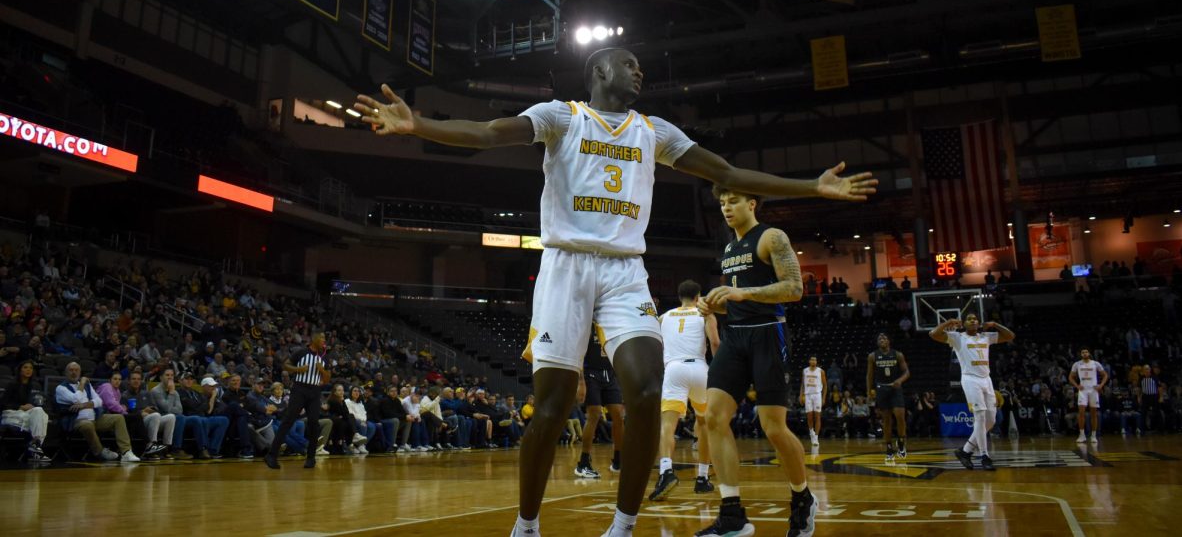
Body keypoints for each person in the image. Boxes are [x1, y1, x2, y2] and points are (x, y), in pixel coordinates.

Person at [357, 50, 875, 537]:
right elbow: (491, 133)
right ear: (600, 72)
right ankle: (527, 524)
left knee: (648, 390)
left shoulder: (655, 131)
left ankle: (624, 526)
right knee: (554, 405)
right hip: (565, 267)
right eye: (628, 64)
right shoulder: (562, 117)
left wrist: (812, 187)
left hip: (626, 270)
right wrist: (418, 124)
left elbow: (727, 172)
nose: (639, 73)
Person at [697, 187, 818, 537]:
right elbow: (734, 300)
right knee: (713, 416)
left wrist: (743, 293)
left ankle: (802, 498)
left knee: (774, 427)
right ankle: (733, 514)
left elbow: (794, 289)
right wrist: (713, 303)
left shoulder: (771, 237)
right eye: (721, 202)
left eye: (732, 201)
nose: (726, 208)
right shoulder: (729, 248)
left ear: (751, 203)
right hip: (735, 336)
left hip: (768, 334)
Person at [648, 279, 720, 500]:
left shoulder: (664, 317)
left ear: (680, 297)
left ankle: (666, 472)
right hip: (699, 368)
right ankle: (702, 478)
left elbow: (653, 343)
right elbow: (716, 343)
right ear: (698, 297)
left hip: (673, 369)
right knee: (703, 423)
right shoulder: (705, 314)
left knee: (668, 425)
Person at [929, 314, 1014, 471]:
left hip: (986, 379)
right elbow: (933, 334)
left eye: (975, 318)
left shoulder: (985, 337)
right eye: (969, 319)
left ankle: (965, 451)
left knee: (991, 421)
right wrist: (948, 322)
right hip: (970, 379)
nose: (973, 320)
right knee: (980, 416)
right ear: (964, 324)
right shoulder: (958, 337)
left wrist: (995, 323)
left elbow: (1010, 336)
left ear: (979, 323)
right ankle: (984, 456)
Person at [264, 330, 331, 469]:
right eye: (322, 337)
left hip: (314, 391)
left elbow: (326, 379)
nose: (324, 340)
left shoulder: (324, 357)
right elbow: (286, 365)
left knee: (314, 423)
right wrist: (298, 369)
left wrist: (322, 371)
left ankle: (311, 458)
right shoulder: (301, 352)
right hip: (299, 389)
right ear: (314, 339)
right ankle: (271, 455)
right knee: (288, 420)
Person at [574, 325, 624, 478]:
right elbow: (578, 353)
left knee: (618, 416)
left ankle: (618, 460)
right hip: (591, 373)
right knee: (594, 415)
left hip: (609, 373)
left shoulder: (611, 323)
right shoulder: (587, 324)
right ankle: (583, 463)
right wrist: (581, 381)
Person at [866, 333, 910, 464]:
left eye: (884, 338)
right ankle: (889, 447)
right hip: (881, 389)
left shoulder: (898, 354)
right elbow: (869, 375)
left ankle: (901, 441)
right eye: (879, 338)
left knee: (900, 415)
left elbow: (907, 372)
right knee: (886, 420)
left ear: (889, 341)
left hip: (895, 388)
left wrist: (900, 380)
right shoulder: (872, 356)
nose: (882, 340)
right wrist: (869, 392)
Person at [1, 360, 50, 462]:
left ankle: (35, 446)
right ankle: (36, 448)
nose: (28, 370)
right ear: (20, 370)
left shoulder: (32, 386)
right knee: (42, 420)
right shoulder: (12, 384)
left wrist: (30, 407)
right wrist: (20, 406)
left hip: (24, 416)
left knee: (40, 411)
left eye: (31, 368)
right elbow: (3, 404)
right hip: (10, 414)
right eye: (25, 367)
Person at [1069, 347, 1108, 444]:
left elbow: (1105, 375)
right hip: (1083, 390)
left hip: (1093, 390)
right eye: (1083, 352)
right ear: (1081, 354)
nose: (1085, 353)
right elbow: (1070, 377)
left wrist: (1101, 385)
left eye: (1086, 352)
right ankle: (1082, 435)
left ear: (1089, 353)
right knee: (1081, 412)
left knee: (1093, 413)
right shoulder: (1077, 364)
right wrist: (1077, 385)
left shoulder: (1095, 363)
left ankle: (1093, 435)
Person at [801, 356, 827, 451]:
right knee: (809, 416)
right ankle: (811, 432)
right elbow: (802, 384)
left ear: (816, 361)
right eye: (811, 359)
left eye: (815, 359)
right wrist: (801, 395)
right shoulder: (805, 371)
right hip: (807, 395)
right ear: (809, 361)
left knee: (817, 416)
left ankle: (816, 437)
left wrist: (823, 398)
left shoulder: (821, 371)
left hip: (817, 395)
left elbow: (825, 386)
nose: (813, 361)